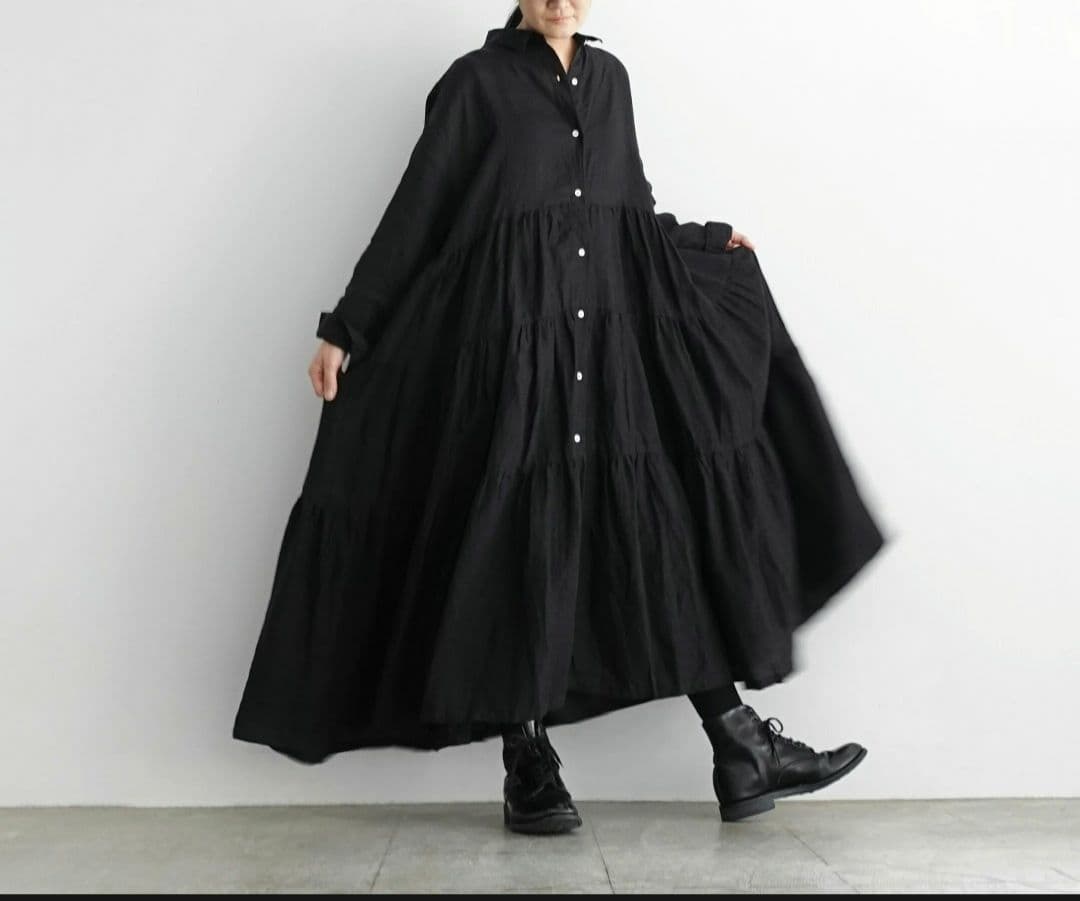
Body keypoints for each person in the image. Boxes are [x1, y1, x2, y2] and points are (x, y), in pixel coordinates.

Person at [232, 0, 889, 834]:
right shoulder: (473, 86)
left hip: (608, 357)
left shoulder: (612, 81)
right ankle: (529, 764)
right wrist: (347, 326)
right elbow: (418, 214)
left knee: (656, 536)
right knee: (519, 541)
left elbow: (626, 214)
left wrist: (703, 238)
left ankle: (740, 746)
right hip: (515, 360)